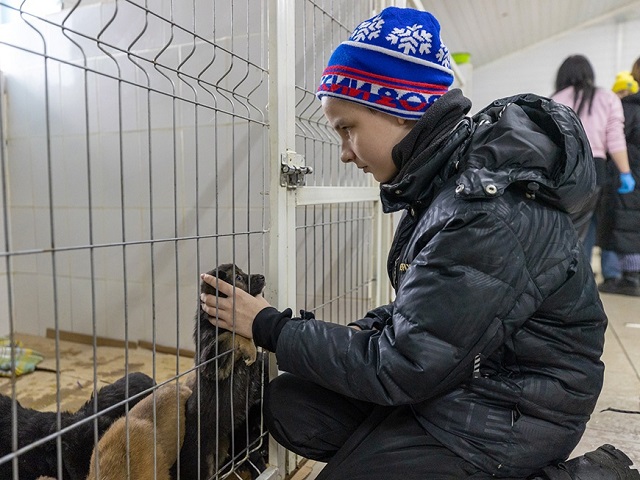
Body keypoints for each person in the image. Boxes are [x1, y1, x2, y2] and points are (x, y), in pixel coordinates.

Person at [200, 7, 640, 479]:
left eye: (348, 128)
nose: (345, 153)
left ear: (401, 110)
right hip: (466, 373)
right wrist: (358, 332)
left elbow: (404, 365)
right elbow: (429, 315)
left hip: (515, 408)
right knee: (292, 404)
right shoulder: (444, 182)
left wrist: (271, 327)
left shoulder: (483, 212)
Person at [551, 55, 635, 264]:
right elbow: (615, 138)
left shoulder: (556, 98)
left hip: (562, 168)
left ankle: (560, 273)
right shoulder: (607, 98)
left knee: (563, 225)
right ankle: (577, 274)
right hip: (595, 169)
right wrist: (625, 172)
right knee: (585, 227)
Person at [598, 66, 640, 296]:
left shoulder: (626, 108)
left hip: (624, 175)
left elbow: (612, 140)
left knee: (619, 224)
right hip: (630, 175)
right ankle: (632, 275)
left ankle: (620, 277)